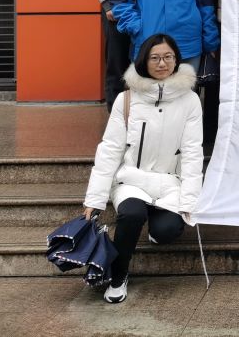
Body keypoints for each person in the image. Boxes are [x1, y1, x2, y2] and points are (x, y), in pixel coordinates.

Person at [83, 33, 203, 304]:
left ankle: (156, 226)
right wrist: (95, 199)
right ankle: (118, 276)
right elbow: (110, 150)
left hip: (168, 183)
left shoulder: (190, 100)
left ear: (176, 60)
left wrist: (190, 200)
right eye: (155, 58)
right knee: (131, 215)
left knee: (166, 231)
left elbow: (193, 153)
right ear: (143, 61)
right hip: (132, 180)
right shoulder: (126, 99)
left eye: (168, 57)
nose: (162, 63)